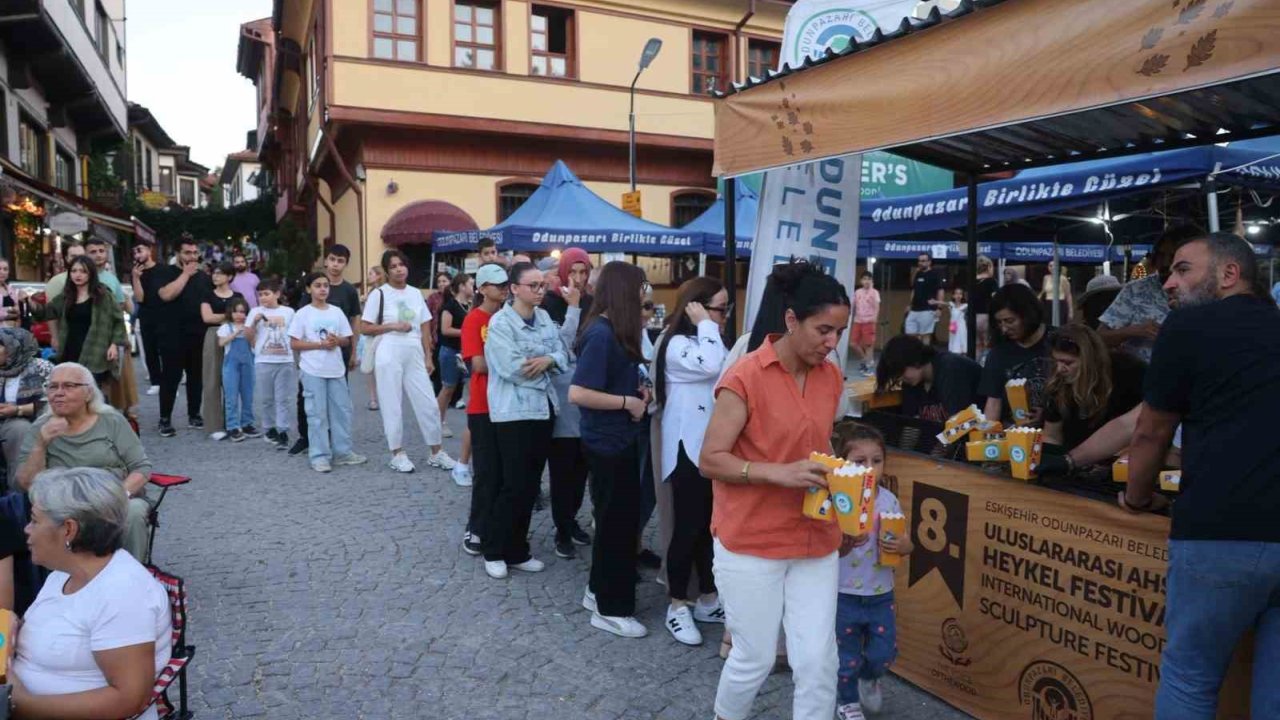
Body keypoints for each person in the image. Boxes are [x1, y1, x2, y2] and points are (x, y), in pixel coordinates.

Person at [1122, 231, 1280, 718]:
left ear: (1230, 274)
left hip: (1221, 530)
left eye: (1183, 269)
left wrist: (1136, 497)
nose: (1168, 282)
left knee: (1190, 677)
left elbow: (1150, 432)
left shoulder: (1189, 329)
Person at [698, 260, 850, 720]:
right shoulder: (744, 376)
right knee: (754, 657)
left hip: (814, 538)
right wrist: (776, 473)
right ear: (790, 320)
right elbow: (710, 459)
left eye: (838, 332)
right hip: (751, 541)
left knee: (819, 661)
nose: (832, 342)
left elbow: (820, 451)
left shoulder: (831, 376)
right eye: (823, 330)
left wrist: (849, 501)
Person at [12, 467, 171, 719]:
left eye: (34, 520)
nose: (27, 530)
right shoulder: (63, 575)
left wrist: (17, 702)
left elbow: (128, 699)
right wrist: (13, 625)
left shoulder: (123, 592)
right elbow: (59, 635)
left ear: (68, 530)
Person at [568, 261, 650, 637]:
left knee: (616, 523)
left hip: (618, 440)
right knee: (616, 525)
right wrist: (626, 403)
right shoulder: (601, 333)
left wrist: (637, 393)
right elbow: (579, 393)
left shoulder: (613, 330)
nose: (644, 297)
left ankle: (597, 591)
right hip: (607, 442)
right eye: (640, 290)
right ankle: (610, 608)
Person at [654, 277, 729, 646]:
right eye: (719, 308)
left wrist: (708, 326)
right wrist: (705, 324)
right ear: (697, 307)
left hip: (711, 446)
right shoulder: (678, 343)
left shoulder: (705, 337)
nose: (724, 317)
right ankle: (676, 604)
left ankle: (707, 598)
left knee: (707, 525)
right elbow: (713, 365)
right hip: (686, 445)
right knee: (687, 527)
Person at [15, 363, 154, 561]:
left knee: (134, 511)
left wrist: (116, 497)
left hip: (113, 498)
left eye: (69, 386)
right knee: (54, 520)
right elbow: (26, 483)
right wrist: (41, 444)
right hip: (65, 504)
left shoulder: (111, 421)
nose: (58, 393)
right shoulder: (40, 427)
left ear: (88, 393)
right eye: (53, 387)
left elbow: (141, 467)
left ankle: (130, 577)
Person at [482, 262, 566, 580]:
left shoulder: (544, 318)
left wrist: (546, 361)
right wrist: (547, 368)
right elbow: (512, 368)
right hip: (513, 413)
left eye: (542, 285)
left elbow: (562, 355)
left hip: (543, 410)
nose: (540, 291)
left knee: (531, 485)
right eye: (533, 285)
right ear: (515, 288)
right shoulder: (500, 324)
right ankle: (494, 548)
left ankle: (518, 549)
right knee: (512, 483)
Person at [832, 423, 913, 720]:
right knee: (846, 656)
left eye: (876, 461)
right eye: (859, 462)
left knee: (884, 652)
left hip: (880, 592)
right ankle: (847, 701)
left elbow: (906, 544)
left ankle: (870, 677)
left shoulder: (889, 500)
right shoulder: (837, 502)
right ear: (843, 465)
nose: (869, 468)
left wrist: (904, 544)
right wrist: (844, 541)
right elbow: (826, 550)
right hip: (843, 594)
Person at [361, 251, 455, 474]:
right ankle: (397, 453)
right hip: (389, 348)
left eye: (402, 264)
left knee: (428, 403)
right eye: (393, 266)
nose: (399, 269)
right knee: (392, 402)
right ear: (387, 270)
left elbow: (424, 325)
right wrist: (392, 326)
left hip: (413, 349)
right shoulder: (379, 294)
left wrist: (428, 356)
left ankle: (436, 451)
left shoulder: (415, 293)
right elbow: (365, 327)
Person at [288, 272, 367, 474]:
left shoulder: (337, 312)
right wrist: (319, 344)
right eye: (317, 285)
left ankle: (343, 452)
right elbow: (294, 342)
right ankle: (319, 456)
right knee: (316, 414)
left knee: (341, 412)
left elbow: (347, 339)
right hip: (312, 369)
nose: (322, 289)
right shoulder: (302, 314)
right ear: (309, 289)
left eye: (325, 285)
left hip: (335, 369)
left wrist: (336, 341)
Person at [543, 248, 594, 559]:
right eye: (572, 272)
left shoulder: (591, 303)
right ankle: (561, 528)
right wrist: (572, 309)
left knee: (581, 468)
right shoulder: (549, 303)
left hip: (586, 394)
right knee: (562, 468)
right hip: (562, 395)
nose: (577, 279)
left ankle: (571, 519)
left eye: (583, 272)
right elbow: (559, 347)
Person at [460, 264, 508, 557]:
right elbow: (476, 363)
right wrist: (514, 364)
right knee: (487, 472)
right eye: (497, 284)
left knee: (505, 472)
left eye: (505, 283)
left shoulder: (508, 317)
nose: (503, 288)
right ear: (482, 288)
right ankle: (476, 527)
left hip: (508, 404)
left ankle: (499, 526)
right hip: (483, 404)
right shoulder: (474, 320)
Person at [1098, 224, 1200, 362]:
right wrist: (1134, 331)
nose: (1164, 263)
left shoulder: (1205, 290)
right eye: (1160, 255)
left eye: (1172, 257)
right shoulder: (1136, 289)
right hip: (1140, 377)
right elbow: (1098, 339)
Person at [1042, 324, 1145, 452]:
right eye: (1056, 361)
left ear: (1090, 360)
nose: (1059, 369)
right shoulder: (1057, 384)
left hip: (1123, 457)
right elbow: (1051, 435)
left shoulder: (1129, 372)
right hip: (1073, 458)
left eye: (1068, 363)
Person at [152, 236, 212, 438]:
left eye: (195, 253)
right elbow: (166, 295)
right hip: (172, 335)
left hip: (198, 334)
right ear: (177, 253)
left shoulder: (204, 277)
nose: (192, 256)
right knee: (171, 378)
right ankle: (165, 419)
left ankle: (194, 414)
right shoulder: (164, 272)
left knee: (196, 378)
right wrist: (185, 275)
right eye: (187, 252)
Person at [33, 256, 125, 388]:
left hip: (95, 351)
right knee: (72, 390)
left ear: (91, 273)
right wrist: (31, 303)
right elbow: (47, 312)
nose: (78, 275)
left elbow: (118, 320)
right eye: (74, 271)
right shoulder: (66, 296)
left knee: (93, 392)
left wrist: (114, 344)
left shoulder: (103, 295)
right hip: (70, 349)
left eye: (83, 271)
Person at [979, 283, 1050, 425]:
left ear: (1028, 314)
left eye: (1010, 321)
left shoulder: (1058, 342)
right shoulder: (998, 353)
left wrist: (1049, 414)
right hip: (1013, 436)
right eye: (999, 323)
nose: (1004, 329)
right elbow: (993, 403)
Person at [875, 334, 981, 422]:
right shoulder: (913, 383)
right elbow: (912, 422)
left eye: (901, 372)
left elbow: (959, 421)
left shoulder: (950, 369)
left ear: (915, 361)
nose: (901, 378)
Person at [246, 280, 296, 450]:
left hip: (285, 360)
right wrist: (254, 322)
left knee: (283, 398)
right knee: (266, 398)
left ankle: (283, 430)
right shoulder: (255, 312)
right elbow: (247, 335)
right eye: (260, 295)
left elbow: (295, 333)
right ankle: (269, 428)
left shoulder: (288, 312)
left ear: (277, 294)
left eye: (266, 293)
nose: (263, 298)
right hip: (263, 360)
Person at [0, 328, 52, 489]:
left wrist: (17, 410)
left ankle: (20, 492)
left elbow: (53, 404)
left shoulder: (41, 368)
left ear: (14, 347)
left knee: (19, 429)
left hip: (30, 422)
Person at [200, 263, 244, 441]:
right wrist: (230, 315)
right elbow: (207, 317)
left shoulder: (238, 296)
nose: (215, 276)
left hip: (236, 336)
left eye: (219, 273)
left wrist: (232, 317)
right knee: (212, 379)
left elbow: (244, 314)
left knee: (233, 380)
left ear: (229, 276)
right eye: (214, 273)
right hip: (214, 335)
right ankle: (213, 424)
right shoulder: (207, 295)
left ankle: (232, 422)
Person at [436, 273, 472, 441]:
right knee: (448, 388)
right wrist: (467, 332)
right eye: (470, 284)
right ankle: (438, 422)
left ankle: (475, 422)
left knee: (472, 386)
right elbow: (445, 329)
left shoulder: (471, 305)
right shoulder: (450, 306)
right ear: (462, 287)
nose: (473, 287)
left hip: (467, 352)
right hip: (451, 351)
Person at [217, 297, 257, 442]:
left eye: (243, 312)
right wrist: (235, 333)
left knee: (248, 395)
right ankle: (232, 426)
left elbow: (254, 345)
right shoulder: (226, 327)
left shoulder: (249, 328)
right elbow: (221, 342)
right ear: (230, 313)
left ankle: (247, 423)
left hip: (248, 365)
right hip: (231, 366)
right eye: (236, 312)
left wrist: (248, 331)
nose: (240, 315)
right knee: (231, 396)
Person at [130, 242, 164, 396]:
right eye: (135, 252)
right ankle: (156, 382)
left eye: (140, 250)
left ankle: (169, 383)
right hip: (145, 316)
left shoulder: (162, 270)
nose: (137, 254)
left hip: (163, 314)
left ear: (149, 251)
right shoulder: (136, 272)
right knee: (149, 350)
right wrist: (136, 278)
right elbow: (139, 298)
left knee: (165, 350)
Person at [359, 265, 386, 411]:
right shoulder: (376, 292)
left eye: (371, 274)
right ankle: (376, 398)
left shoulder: (378, 292)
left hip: (376, 331)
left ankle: (375, 398)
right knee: (374, 367)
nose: (368, 276)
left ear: (378, 276)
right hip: (378, 331)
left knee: (373, 367)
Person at [905, 252, 944, 343]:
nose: (920, 263)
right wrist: (910, 305)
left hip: (928, 309)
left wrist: (939, 308)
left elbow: (940, 291)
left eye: (923, 261)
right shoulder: (918, 274)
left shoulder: (935, 274)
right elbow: (914, 290)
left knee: (925, 335)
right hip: (914, 309)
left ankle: (925, 355)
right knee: (910, 334)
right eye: (919, 261)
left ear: (929, 262)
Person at [850, 271, 879, 376]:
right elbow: (852, 305)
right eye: (865, 279)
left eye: (869, 279)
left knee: (868, 345)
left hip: (869, 321)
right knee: (853, 344)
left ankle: (869, 367)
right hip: (857, 321)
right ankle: (865, 361)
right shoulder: (857, 292)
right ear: (861, 281)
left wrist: (874, 319)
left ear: (872, 281)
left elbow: (876, 306)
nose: (866, 281)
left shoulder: (874, 292)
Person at [972, 255, 998, 359]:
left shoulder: (971, 281)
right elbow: (996, 298)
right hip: (986, 316)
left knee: (977, 345)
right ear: (988, 267)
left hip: (972, 316)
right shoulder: (992, 281)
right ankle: (986, 367)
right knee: (988, 344)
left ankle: (976, 366)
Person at [1038, 259, 1073, 323]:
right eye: (1050, 266)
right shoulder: (1046, 278)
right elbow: (1043, 291)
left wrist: (1070, 311)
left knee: (1059, 324)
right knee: (1047, 324)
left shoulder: (1063, 278)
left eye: (1054, 265)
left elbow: (1068, 295)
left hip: (1060, 303)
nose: (1052, 267)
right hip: (1048, 304)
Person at [0, 258, 23, 328]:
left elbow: (19, 312)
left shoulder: (12, 290)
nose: (2, 272)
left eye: (5, 269)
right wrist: (10, 313)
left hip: (14, 332)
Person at [947, 286, 968, 354]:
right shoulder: (951, 305)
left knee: (962, 339)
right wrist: (935, 302)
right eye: (956, 293)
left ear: (962, 296)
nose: (958, 295)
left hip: (961, 326)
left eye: (960, 294)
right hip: (953, 326)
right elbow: (943, 303)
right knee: (953, 339)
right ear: (953, 295)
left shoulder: (965, 305)